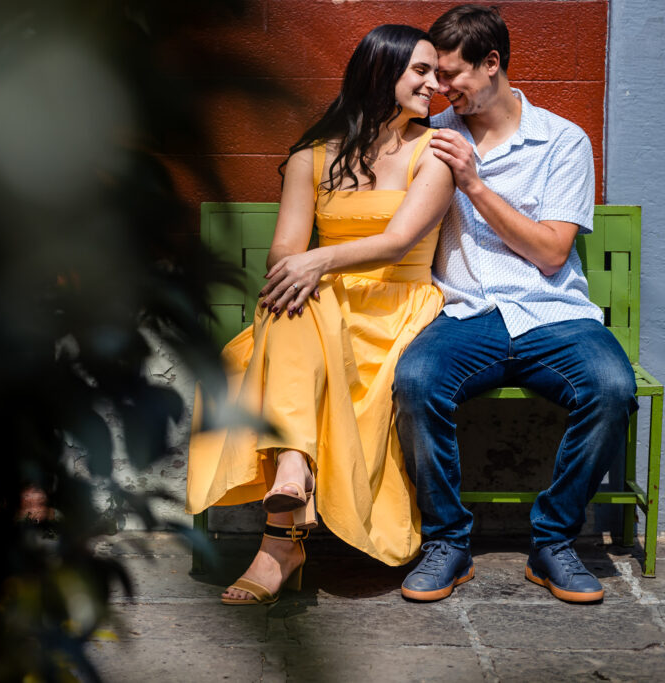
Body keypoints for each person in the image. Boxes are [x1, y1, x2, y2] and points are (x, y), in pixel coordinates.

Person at [185, 24, 454, 605]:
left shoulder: (436, 152)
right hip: (317, 306)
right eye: (422, 71)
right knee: (293, 305)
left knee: (297, 302)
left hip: (395, 307)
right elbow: (286, 250)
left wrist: (317, 261)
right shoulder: (314, 155)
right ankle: (292, 477)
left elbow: (399, 241)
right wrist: (305, 268)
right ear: (381, 73)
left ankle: (280, 536)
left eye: (437, 72)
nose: (436, 84)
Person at [394, 5, 637, 604]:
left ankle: (553, 542)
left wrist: (475, 184)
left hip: (553, 315)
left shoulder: (562, 141)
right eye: (432, 74)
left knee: (610, 390)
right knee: (417, 382)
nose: (438, 87)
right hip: (464, 315)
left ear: (493, 63)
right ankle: (447, 542)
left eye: (451, 75)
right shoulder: (431, 136)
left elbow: (553, 254)